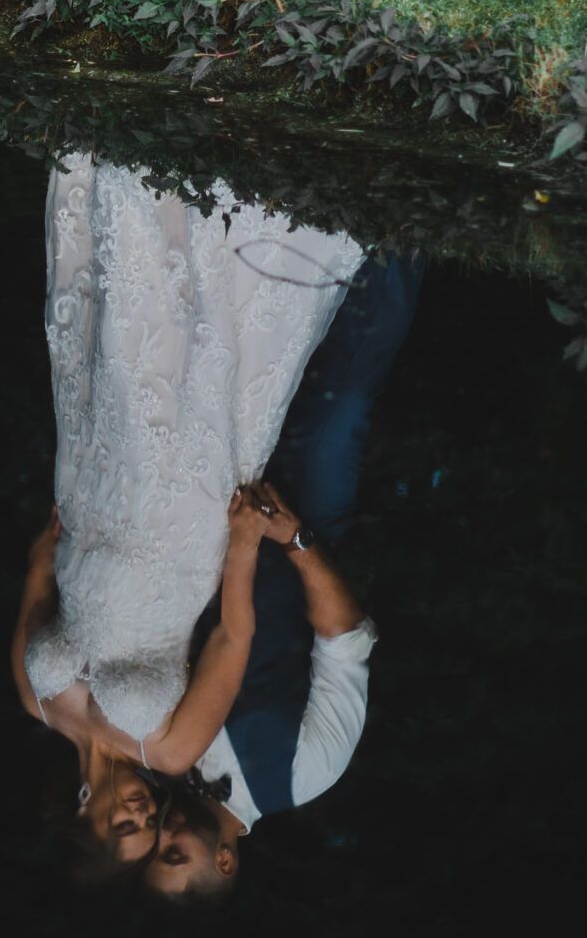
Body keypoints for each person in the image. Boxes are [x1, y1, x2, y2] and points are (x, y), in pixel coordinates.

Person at [10, 155, 368, 849]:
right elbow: (232, 638)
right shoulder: (168, 755)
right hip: (182, 535)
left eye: (123, 828)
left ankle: (139, 180)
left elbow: (33, 593)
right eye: (149, 830)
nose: (143, 815)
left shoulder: (37, 704)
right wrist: (239, 544)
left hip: (93, 498)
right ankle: (217, 203)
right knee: (194, 370)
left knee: (117, 364)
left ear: (81, 813)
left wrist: (51, 545)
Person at [144, 252, 426, 900]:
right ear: (221, 864)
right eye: (174, 857)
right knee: (341, 403)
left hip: (216, 512)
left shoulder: (162, 751)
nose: (166, 838)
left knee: (256, 349)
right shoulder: (307, 774)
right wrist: (291, 538)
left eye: (156, 852)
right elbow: (347, 638)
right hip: (304, 524)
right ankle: (400, 235)